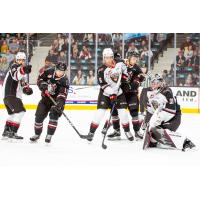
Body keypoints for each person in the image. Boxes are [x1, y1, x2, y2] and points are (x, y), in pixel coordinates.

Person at [86, 48, 133, 142]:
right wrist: (112, 94)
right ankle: (91, 132)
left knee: (123, 113)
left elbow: (126, 75)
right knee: (100, 113)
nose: (108, 60)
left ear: (112, 57)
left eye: (110, 57)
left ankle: (127, 131)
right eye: (106, 58)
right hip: (105, 94)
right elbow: (103, 85)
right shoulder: (101, 70)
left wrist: (125, 76)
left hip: (118, 92)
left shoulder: (120, 64)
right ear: (103, 58)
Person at [142, 74, 195, 151]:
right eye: (152, 82)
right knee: (154, 131)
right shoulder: (151, 93)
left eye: (156, 82)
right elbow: (150, 110)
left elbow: (171, 111)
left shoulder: (167, 91)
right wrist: (146, 122)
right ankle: (154, 141)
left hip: (174, 118)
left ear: (161, 83)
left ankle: (186, 142)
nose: (153, 84)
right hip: (163, 118)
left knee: (163, 131)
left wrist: (158, 118)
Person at [104, 52, 145, 140]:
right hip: (120, 94)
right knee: (114, 111)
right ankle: (117, 131)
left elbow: (141, 77)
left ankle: (137, 132)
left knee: (134, 113)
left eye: (136, 58)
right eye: (133, 58)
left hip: (131, 94)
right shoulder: (121, 64)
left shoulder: (136, 67)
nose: (135, 60)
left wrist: (138, 79)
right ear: (129, 58)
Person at [30, 62, 69, 143]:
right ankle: (37, 134)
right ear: (55, 69)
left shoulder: (65, 80)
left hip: (56, 101)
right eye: (59, 71)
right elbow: (40, 79)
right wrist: (42, 84)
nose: (60, 73)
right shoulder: (48, 71)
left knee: (54, 117)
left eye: (62, 71)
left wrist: (59, 103)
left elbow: (63, 94)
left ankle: (49, 135)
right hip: (45, 99)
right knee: (38, 116)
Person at [2, 52, 33, 139]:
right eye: (19, 60)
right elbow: (16, 76)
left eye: (23, 60)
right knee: (21, 112)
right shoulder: (14, 66)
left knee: (12, 114)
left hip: (9, 96)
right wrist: (23, 70)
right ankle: (13, 132)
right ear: (16, 60)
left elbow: (22, 84)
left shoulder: (22, 71)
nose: (21, 61)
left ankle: (6, 131)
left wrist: (27, 90)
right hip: (11, 95)